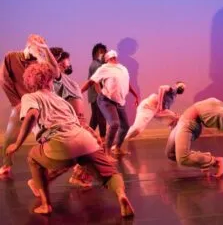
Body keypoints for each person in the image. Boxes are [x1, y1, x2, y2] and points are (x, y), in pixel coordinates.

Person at [6, 63, 134, 217]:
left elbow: (32, 115)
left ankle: (46, 205)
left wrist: (17, 144)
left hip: (61, 145)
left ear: (29, 83)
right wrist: (96, 139)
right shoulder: (62, 101)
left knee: (33, 157)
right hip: (86, 142)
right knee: (109, 174)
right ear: (49, 81)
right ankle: (121, 195)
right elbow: (78, 124)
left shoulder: (30, 97)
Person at [0, 34, 59, 175]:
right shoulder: (12, 57)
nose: (39, 50)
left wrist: (44, 53)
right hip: (21, 104)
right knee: (10, 137)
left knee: (47, 136)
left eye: (42, 47)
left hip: (40, 105)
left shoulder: (41, 62)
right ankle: (7, 164)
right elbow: (4, 80)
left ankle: (48, 166)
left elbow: (56, 73)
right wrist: (16, 103)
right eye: (37, 46)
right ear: (29, 45)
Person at [50, 47, 104, 187]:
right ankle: (44, 180)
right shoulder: (56, 80)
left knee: (89, 149)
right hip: (73, 124)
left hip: (77, 123)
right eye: (63, 62)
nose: (68, 64)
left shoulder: (64, 80)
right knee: (88, 150)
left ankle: (76, 175)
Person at [81, 50, 139, 155]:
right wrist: (79, 92)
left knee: (125, 126)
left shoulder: (123, 68)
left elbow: (127, 83)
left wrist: (135, 95)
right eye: (111, 58)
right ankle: (106, 152)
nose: (113, 59)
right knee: (114, 124)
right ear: (107, 59)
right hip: (106, 100)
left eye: (114, 57)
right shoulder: (104, 68)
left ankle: (117, 148)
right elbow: (91, 81)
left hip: (120, 102)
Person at [88, 43, 107, 141]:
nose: (105, 55)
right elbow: (96, 83)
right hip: (97, 96)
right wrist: (101, 96)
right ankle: (103, 140)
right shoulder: (97, 65)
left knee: (95, 119)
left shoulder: (97, 64)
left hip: (94, 96)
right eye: (104, 52)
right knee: (101, 118)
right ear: (99, 53)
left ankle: (87, 138)